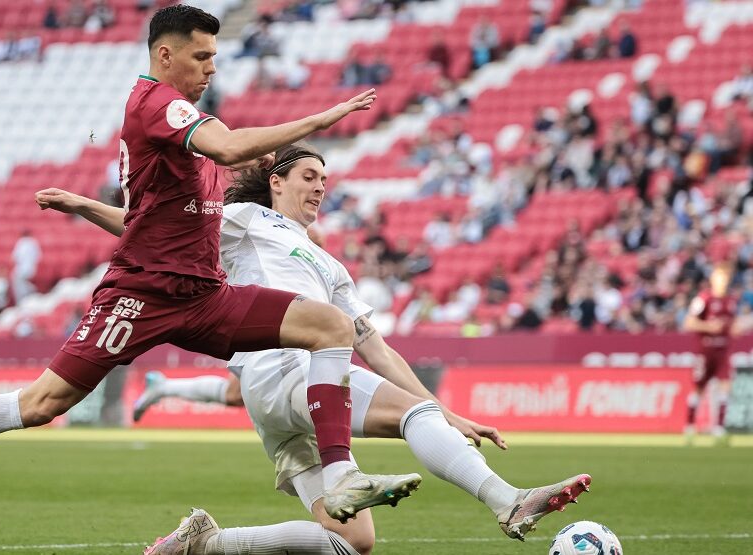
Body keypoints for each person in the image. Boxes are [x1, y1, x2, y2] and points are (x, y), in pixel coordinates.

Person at [0, 5, 410, 525]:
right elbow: (230, 147)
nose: (212, 67)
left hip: (205, 296)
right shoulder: (157, 104)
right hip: (142, 295)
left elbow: (152, 215)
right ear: (166, 54)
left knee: (330, 326)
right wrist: (326, 116)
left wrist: (85, 205)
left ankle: (341, 477)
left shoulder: (184, 127)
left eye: (214, 55)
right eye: (201, 55)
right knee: (42, 404)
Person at [132, 145, 590, 554]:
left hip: (286, 399)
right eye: (308, 176)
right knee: (414, 415)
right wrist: (91, 208)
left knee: (352, 543)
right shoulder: (248, 219)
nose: (319, 187)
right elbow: (159, 228)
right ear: (276, 182)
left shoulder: (330, 267)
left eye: (324, 180)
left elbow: (376, 348)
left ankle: (204, 544)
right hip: (285, 369)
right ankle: (507, 500)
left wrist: (446, 413)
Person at [683, 262, 745, 442]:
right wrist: (708, 326)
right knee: (699, 388)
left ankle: (719, 428)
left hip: (723, 351)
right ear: (713, 279)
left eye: (725, 278)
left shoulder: (731, 301)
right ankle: (689, 427)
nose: (722, 281)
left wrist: (736, 328)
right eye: (719, 277)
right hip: (705, 350)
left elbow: (734, 324)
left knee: (726, 386)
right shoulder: (704, 299)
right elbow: (689, 322)